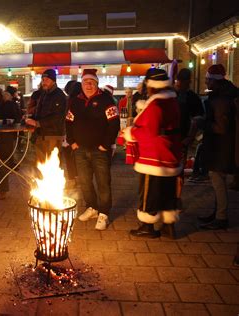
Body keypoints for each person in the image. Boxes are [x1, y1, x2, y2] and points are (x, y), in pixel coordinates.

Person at [123, 68, 182, 239]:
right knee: (167, 191)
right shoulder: (172, 101)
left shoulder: (156, 105)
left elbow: (149, 131)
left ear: (151, 85)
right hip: (170, 153)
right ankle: (168, 225)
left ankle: (147, 226)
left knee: (150, 191)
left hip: (154, 155)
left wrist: (130, 132)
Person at [67, 69, 120, 230]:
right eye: (85, 82)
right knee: (84, 181)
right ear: (81, 84)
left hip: (100, 150)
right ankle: (92, 207)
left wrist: (106, 144)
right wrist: (72, 142)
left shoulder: (106, 100)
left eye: (92, 82)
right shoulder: (75, 101)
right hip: (80, 149)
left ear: (97, 84)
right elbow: (68, 122)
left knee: (103, 182)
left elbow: (114, 124)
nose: (88, 85)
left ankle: (104, 213)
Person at [198, 64, 238, 230]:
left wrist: (203, 123)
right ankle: (217, 213)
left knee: (217, 179)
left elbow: (221, 127)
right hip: (224, 144)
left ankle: (221, 217)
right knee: (217, 179)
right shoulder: (226, 93)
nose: (206, 82)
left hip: (221, 145)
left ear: (214, 81)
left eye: (207, 79)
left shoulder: (221, 99)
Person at [25, 69, 67, 162]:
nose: (44, 82)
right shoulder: (44, 94)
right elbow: (39, 111)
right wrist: (30, 119)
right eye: (43, 80)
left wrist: (37, 123)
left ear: (53, 80)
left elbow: (57, 117)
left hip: (53, 136)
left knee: (52, 164)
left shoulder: (59, 95)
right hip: (41, 135)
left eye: (47, 80)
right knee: (41, 165)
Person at [63, 80, 81, 187]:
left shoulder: (68, 101)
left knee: (69, 157)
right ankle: (80, 177)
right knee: (79, 157)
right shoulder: (82, 101)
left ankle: (72, 178)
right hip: (80, 133)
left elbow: (64, 118)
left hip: (67, 133)